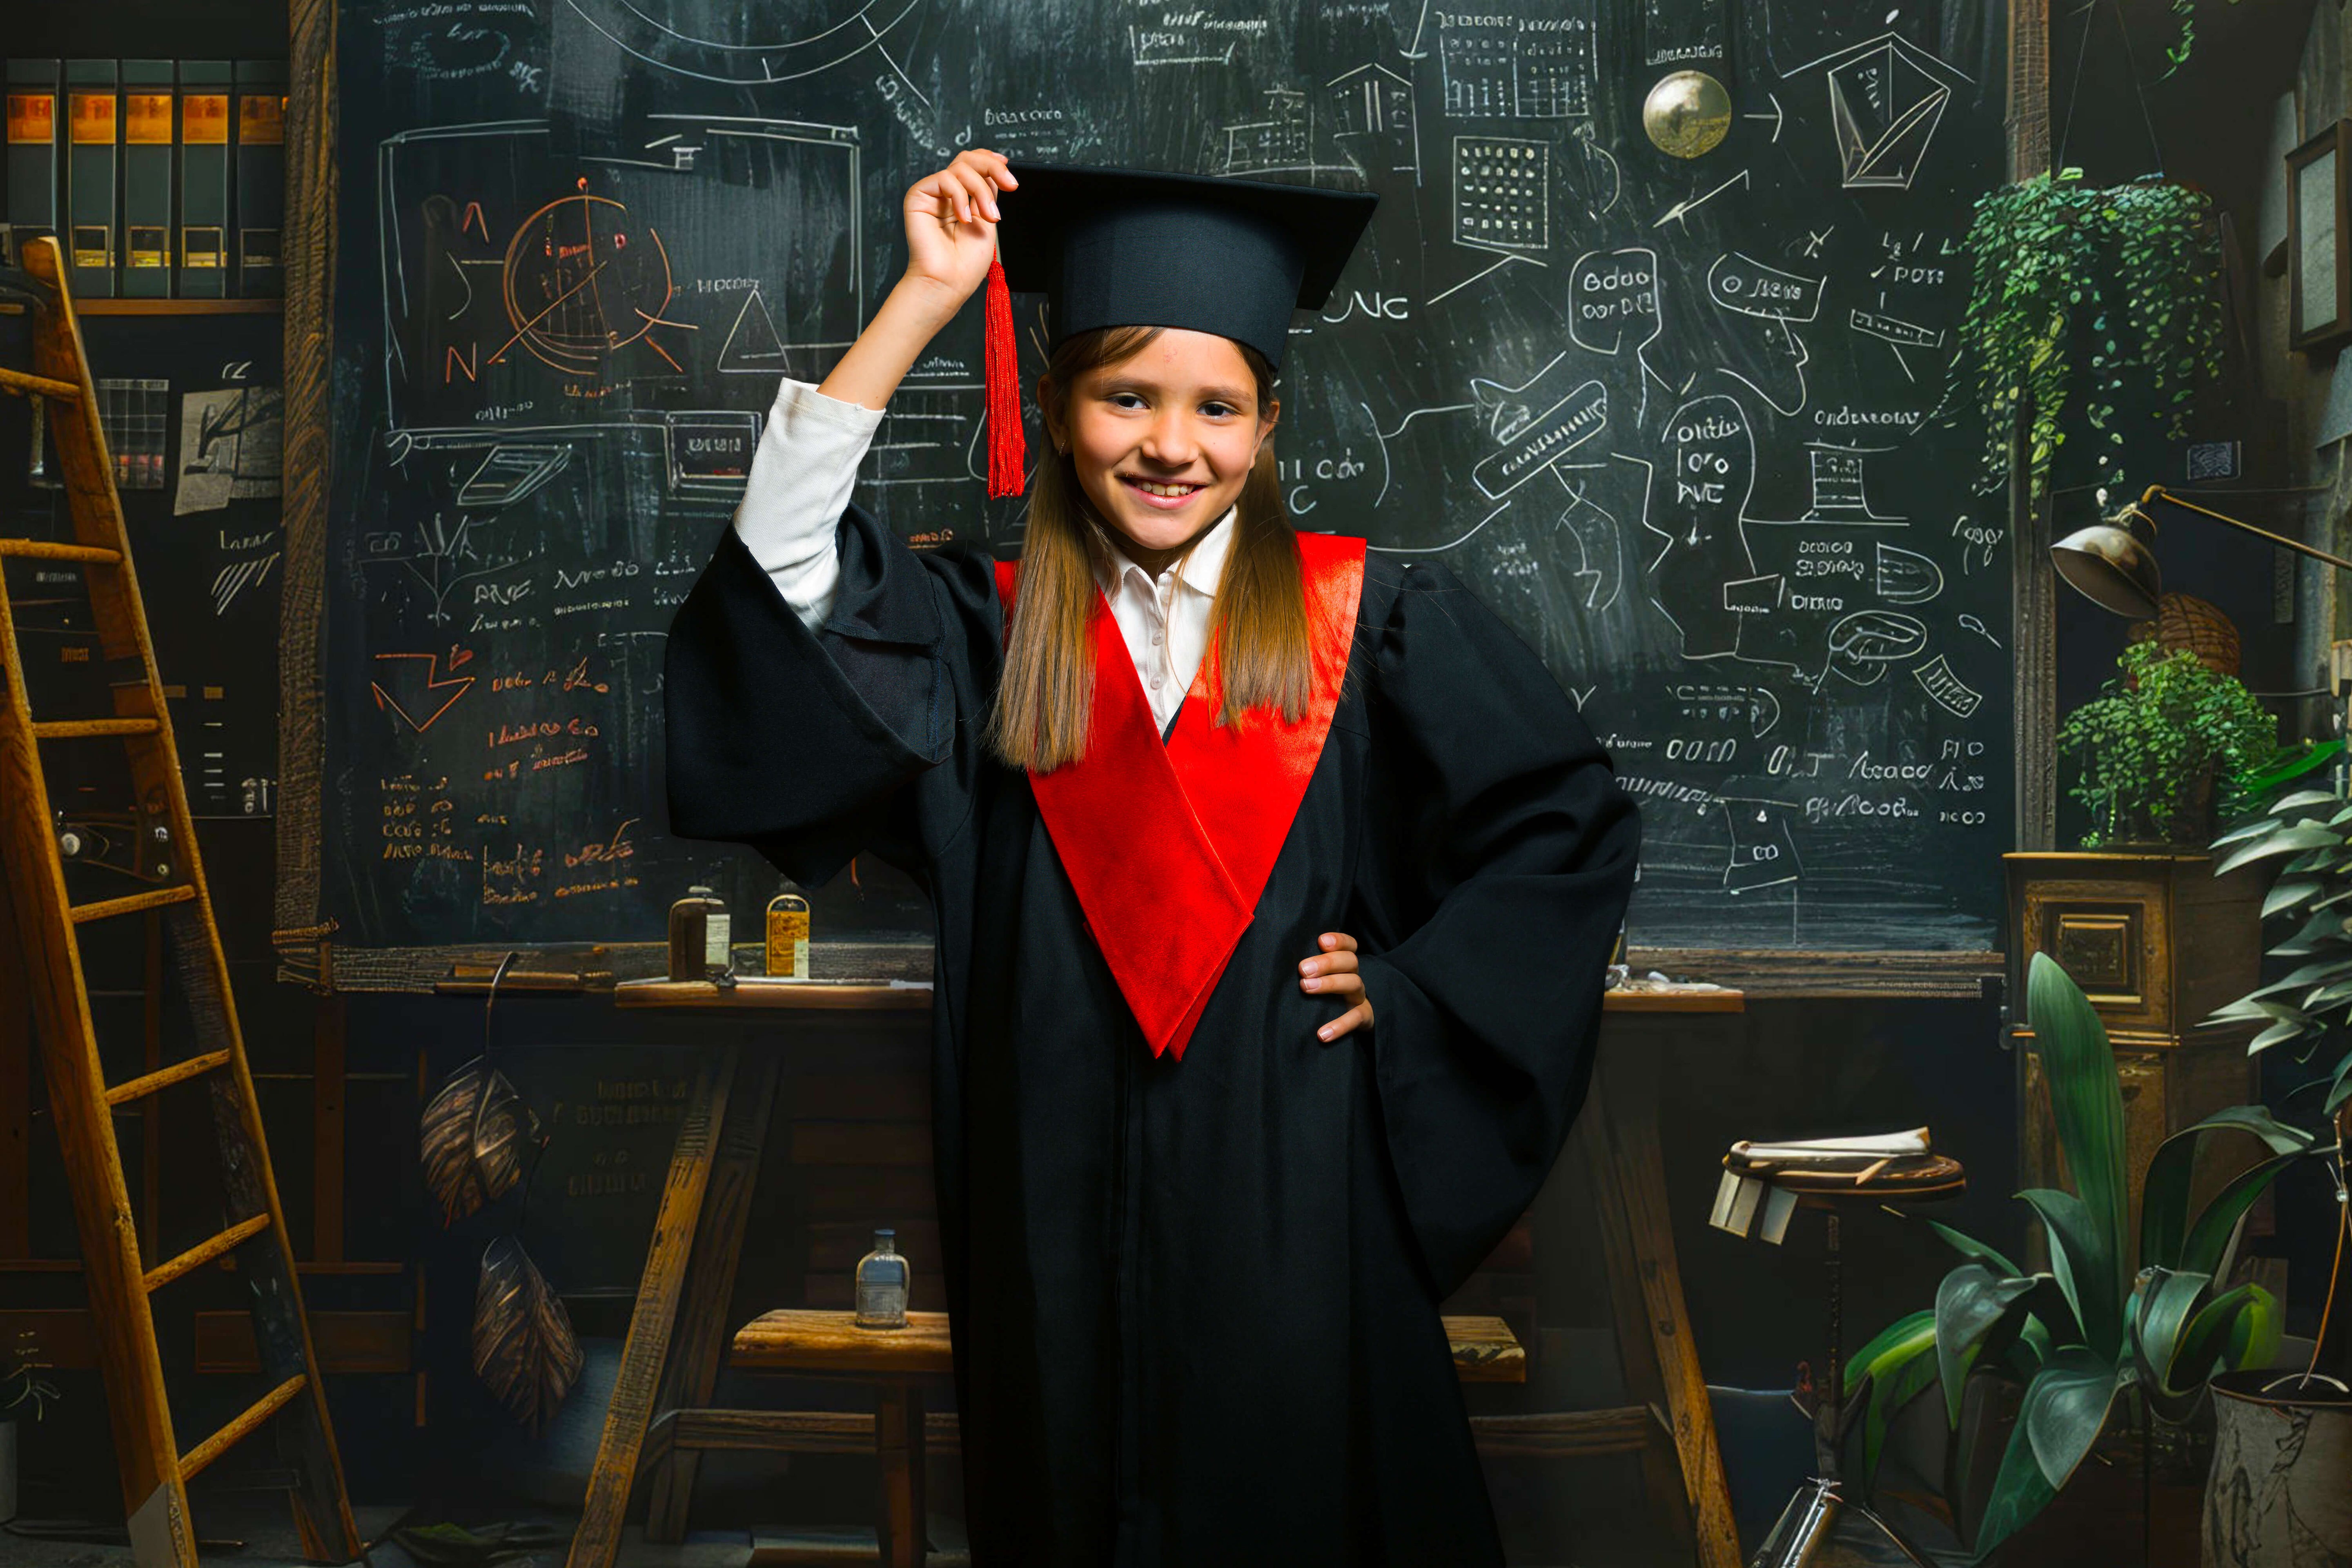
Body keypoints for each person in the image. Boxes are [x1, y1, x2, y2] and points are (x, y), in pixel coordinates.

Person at [664, 150, 1641, 1566]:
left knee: (1299, 1483)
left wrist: (1417, 990)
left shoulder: (1370, 621)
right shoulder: (987, 628)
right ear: (1055, 410)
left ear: (1267, 424)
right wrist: (926, 299)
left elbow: (1566, 823)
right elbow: (782, 579)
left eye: (1216, 407)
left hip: (1291, 1163)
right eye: (1126, 396)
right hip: (1047, 1169)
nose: (1170, 443)